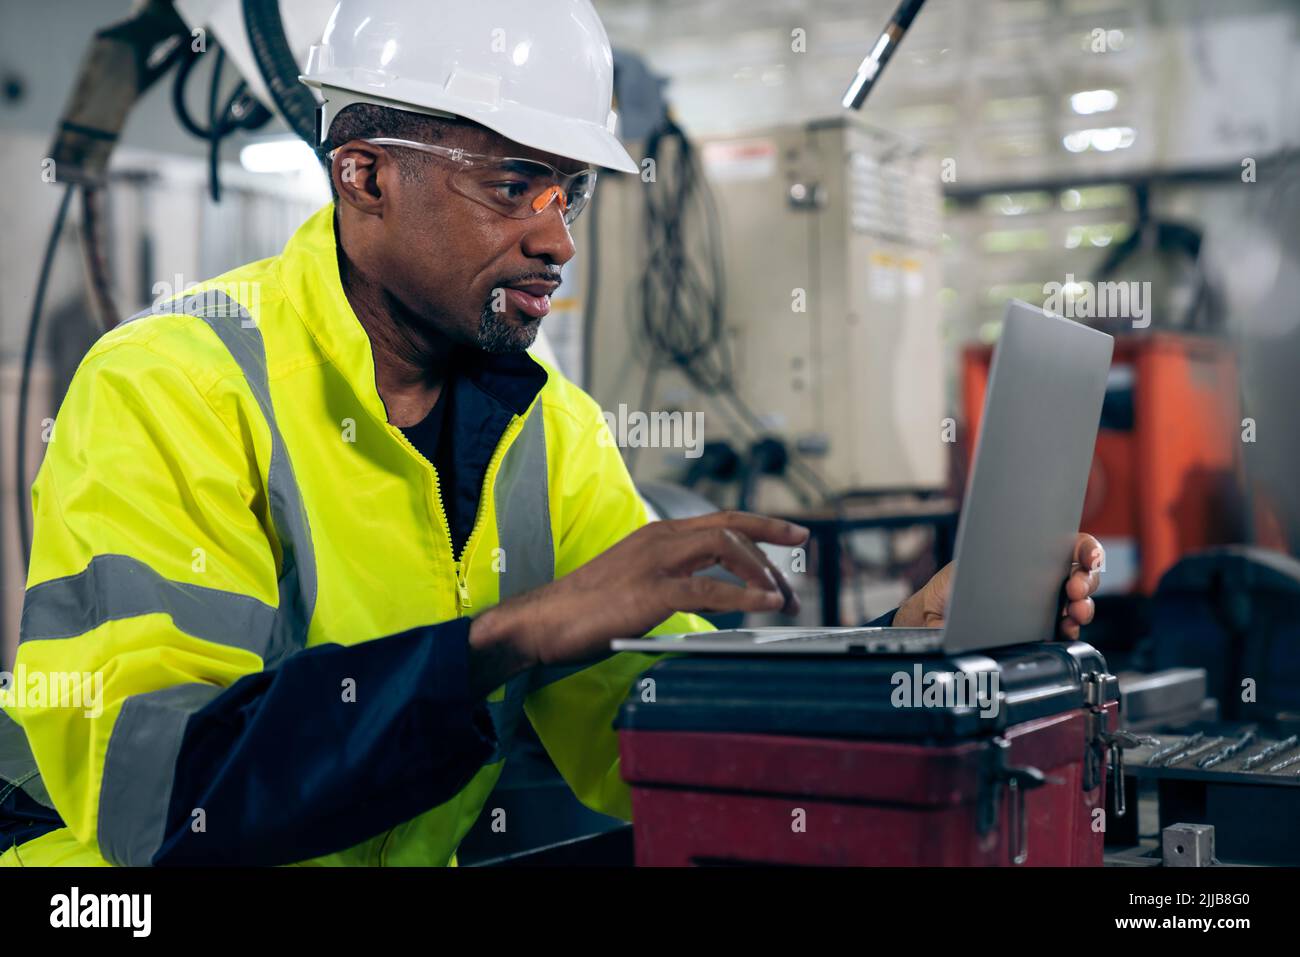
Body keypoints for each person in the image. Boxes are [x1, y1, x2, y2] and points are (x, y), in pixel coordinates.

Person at [0, 0, 1101, 866]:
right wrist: (510, 635)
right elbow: (168, 801)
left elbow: (651, 732)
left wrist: (893, 648)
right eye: (513, 185)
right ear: (366, 176)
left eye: (567, 195)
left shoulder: (545, 427)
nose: (557, 241)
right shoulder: (172, 384)